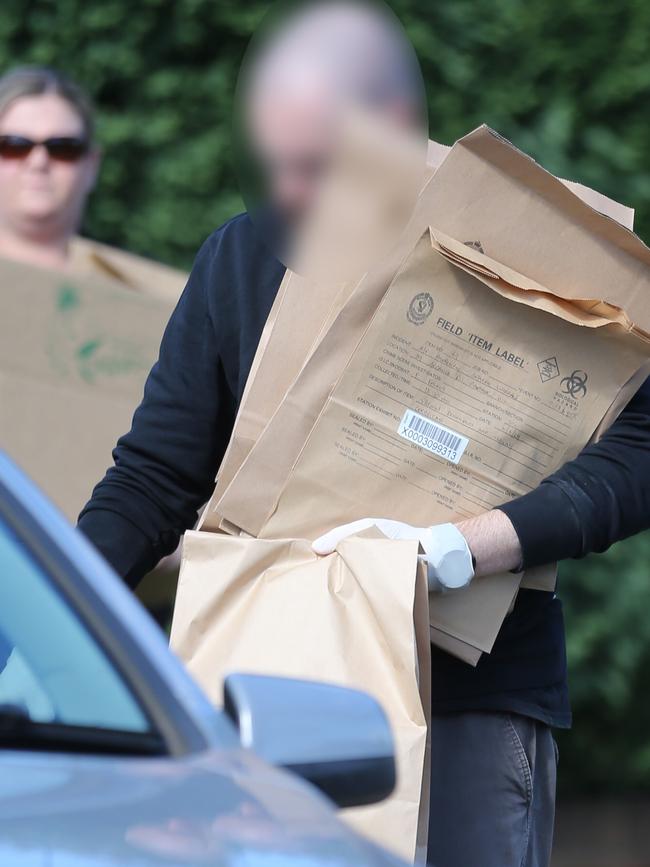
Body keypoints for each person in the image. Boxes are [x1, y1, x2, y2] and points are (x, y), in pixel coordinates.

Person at [77, 3, 650, 866]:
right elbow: (154, 479)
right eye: (275, 166)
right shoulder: (240, 255)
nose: (293, 194)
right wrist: (50, 622)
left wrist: (465, 548)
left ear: (397, 130)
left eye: (316, 165)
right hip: (277, 687)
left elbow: (639, 454)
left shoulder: (534, 248)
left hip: (473, 699)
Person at [0, 66, 100, 271]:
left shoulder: (137, 290)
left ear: (92, 165)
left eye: (62, 148)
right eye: (14, 146)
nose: (38, 162)